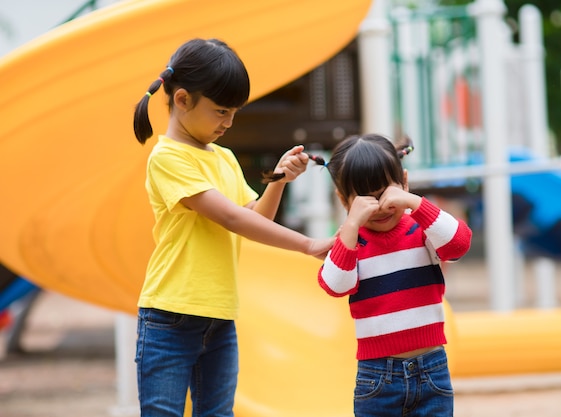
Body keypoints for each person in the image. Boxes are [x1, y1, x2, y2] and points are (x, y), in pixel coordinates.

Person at [132, 38, 334, 417]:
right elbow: (230, 218)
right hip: (169, 318)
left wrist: (278, 179)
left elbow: (254, 219)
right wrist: (308, 245)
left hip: (220, 317)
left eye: (234, 112)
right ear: (182, 100)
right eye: (221, 110)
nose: (228, 122)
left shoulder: (222, 157)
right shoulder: (167, 158)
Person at [316, 134, 472, 417]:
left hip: (432, 369)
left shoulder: (423, 229)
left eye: (386, 192)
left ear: (403, 182)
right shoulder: (350, 243)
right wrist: (351, 226)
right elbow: (335, 285)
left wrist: (414, 202)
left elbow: (459, 243)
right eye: (365, 199)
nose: (380, 206)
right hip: (376, 378)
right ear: (343, 199)